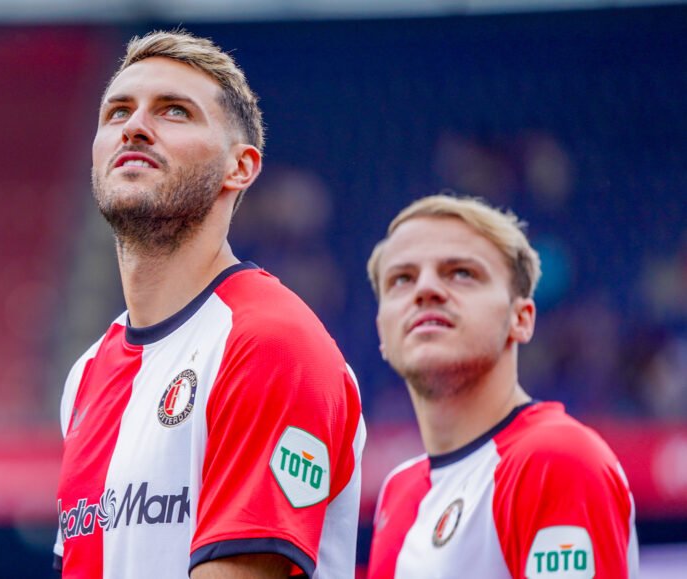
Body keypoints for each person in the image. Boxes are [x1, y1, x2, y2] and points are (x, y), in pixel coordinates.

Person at [53, 30, 365, 579]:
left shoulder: (268, 341)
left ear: (239, 167)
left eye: (174, 111)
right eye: (117, 112)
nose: (134, 126)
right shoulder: (85, 376)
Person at [365, 194, 638, 578]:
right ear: (382, 330)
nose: (425, 289)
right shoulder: (400, 490)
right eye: (402, 279)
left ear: (521, 319)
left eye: (461, 272)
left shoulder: (555, 460)